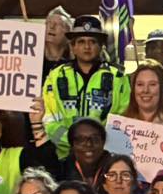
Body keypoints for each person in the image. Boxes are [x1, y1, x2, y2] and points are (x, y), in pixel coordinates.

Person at [41, 17, 130, 154]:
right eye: (81, 42)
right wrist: (74, 143)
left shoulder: (117, 78)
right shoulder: (55, 77)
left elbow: (123, 120)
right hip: (65, 157)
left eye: (92, 42)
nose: (87, 47)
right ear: (73, 47)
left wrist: (96, 144)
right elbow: (49, 119)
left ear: (101, 46)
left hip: (105, 155)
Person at [54, 116, 111, 188]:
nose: (89, 144)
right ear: (72, 144)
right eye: (81, 139)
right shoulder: (59, 172)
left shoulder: (116, 168)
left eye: (95, 138)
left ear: (103, 142)